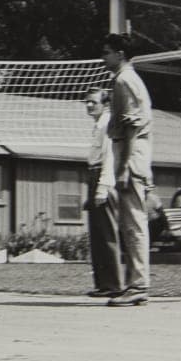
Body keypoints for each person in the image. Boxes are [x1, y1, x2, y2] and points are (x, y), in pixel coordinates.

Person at [101, 33, 154, 307]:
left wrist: (123, 168)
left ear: (120, 54)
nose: (103, 56)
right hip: (132, 152)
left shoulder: (124, 80)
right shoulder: (126, 80)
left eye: (107, 52)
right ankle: (135, 283)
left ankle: (138, 285)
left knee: (133, 224)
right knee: (130, 223)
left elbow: (132, 125)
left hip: (130, 153)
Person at [82, 87, 123, 299]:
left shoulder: (107, 124)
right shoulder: (97, 125)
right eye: (87, 102)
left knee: (107, 234)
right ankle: (103, 284)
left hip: (103, 177)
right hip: (93, 175)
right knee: (97, 236)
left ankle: (115, 284)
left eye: (93, 102)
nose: (89, 105)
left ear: (105, 104)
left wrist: (103, 188)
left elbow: (110, 158)